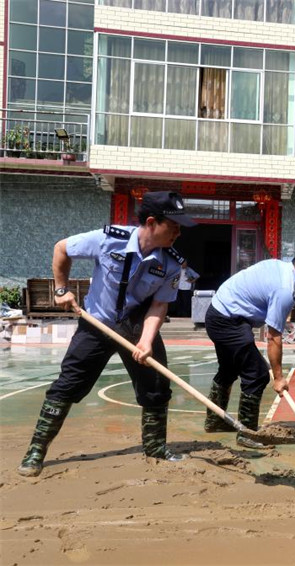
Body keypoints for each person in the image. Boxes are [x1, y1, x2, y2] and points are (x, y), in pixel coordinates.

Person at [18, 191, 197, 477]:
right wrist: (61, 290)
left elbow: (159, 304)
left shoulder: (173, 264)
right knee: (68, 384)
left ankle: (154, 447)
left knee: (156, 385)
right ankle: (36, 450)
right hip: (97, 321)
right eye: (174, 225)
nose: (179, 231)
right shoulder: (108, 239)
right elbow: (61, 249)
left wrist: (146, 341)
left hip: (135, 324)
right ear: (152, 222)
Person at [203, 246, 295, 448]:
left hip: (221, 312)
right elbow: (273, 338)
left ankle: (215, 422)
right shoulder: (284, 288)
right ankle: (248, 435)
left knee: (229, 369)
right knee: (258, 373)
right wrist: (279, 378)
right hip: (226, 320)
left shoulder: (281, 269)